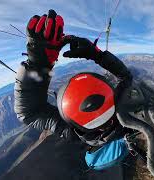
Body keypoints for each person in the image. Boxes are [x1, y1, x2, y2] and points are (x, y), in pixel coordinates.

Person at [14, 9, 133, 169]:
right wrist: (96, 54)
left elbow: (28, 113)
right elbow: (126, 78)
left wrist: (39, 63)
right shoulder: (128, 109)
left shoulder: (74, 132)